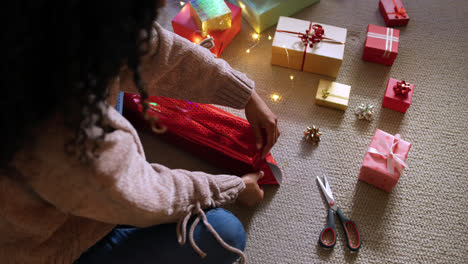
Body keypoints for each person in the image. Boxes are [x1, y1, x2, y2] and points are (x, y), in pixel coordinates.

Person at [0, 0, 280, 263]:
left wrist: (245, 93)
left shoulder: (56, 23)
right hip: (44, 247)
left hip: (69, 159)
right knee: (226, 232)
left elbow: (151, 48)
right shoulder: (67, 136)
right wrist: (234, 187)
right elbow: (150, 197)